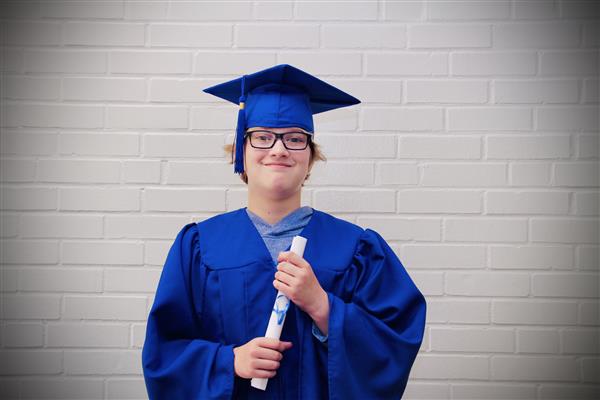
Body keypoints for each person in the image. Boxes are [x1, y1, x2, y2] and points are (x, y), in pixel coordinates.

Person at [142, 64, 426, 399]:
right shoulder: (199, 246)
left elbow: (396, 341)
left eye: (295, 139)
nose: (278, 149)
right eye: (262, 137)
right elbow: (163, 353)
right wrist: (227, 361)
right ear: (240, 152)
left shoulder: (356, 248)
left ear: (310, 157)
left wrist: (324, 308)